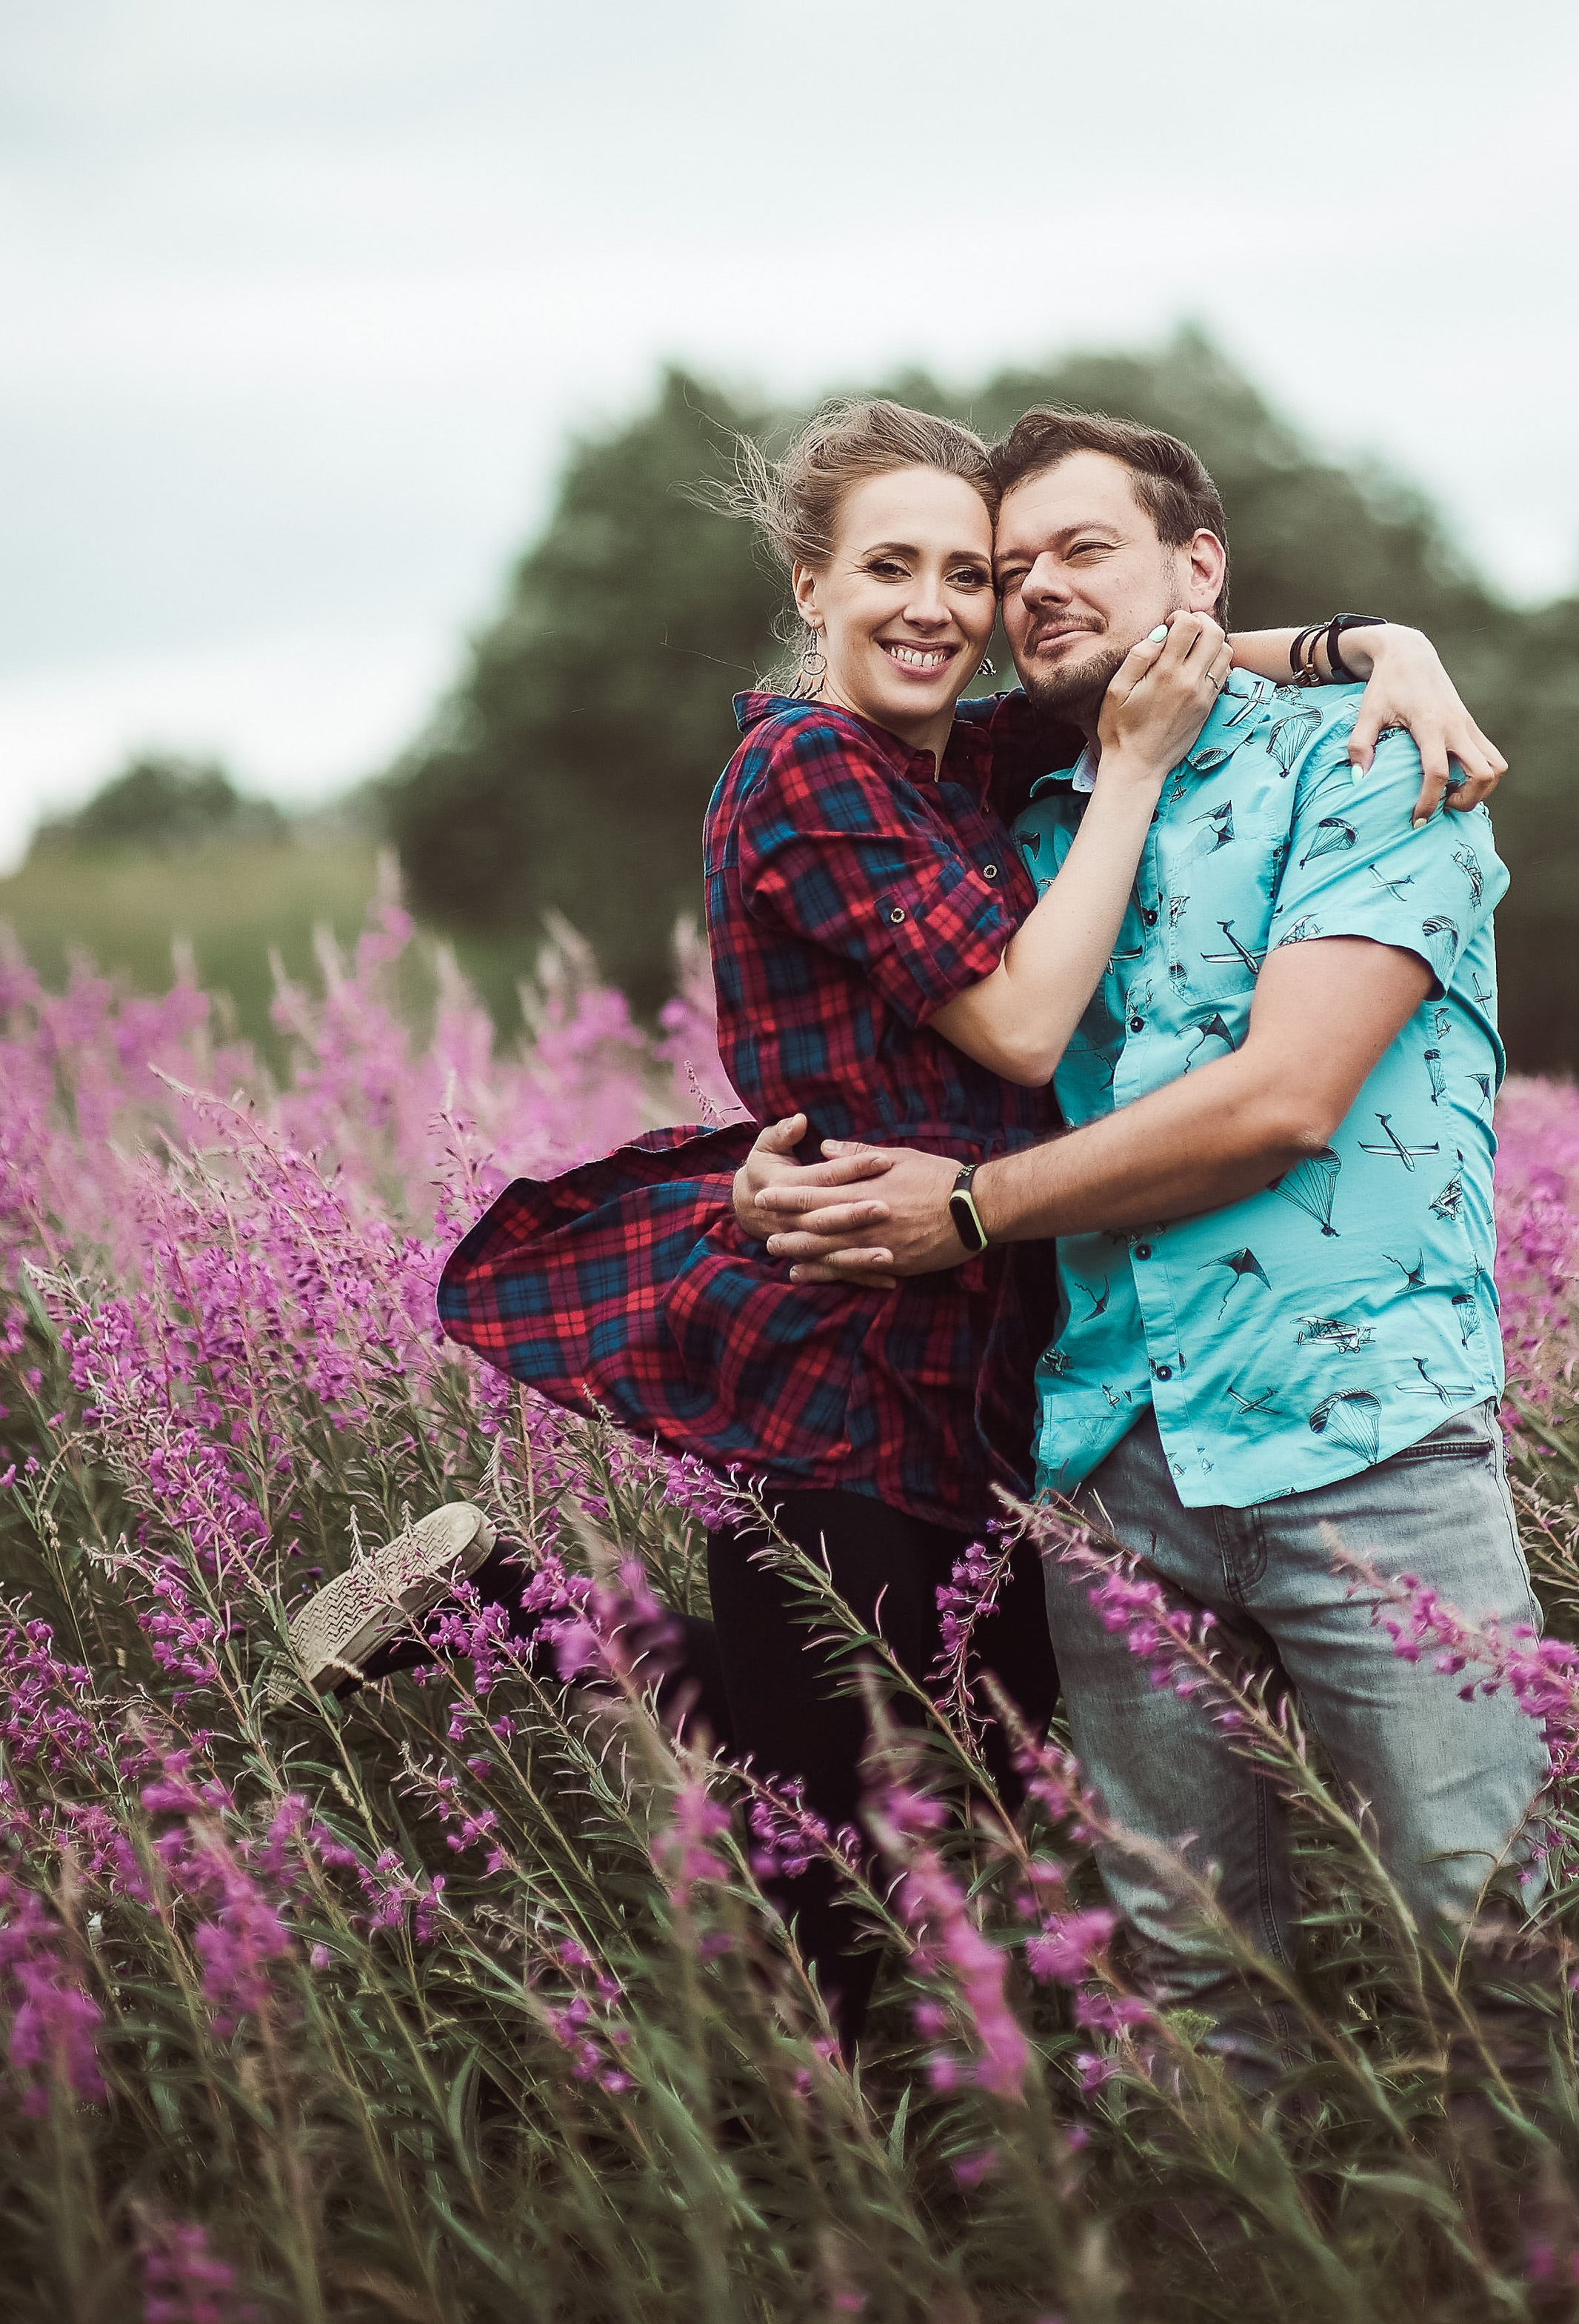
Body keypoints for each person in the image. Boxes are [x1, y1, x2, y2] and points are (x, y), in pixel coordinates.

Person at [275, 397, 1500, 2049]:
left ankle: (520, 1607)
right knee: (841, 1856)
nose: (943, 605)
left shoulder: (963, 754)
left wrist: (1378, 642)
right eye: (893, 568)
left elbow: (1157, 657)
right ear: (811, 582)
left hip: (998, 1335)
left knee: (974, 1752)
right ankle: (892, 2186)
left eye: (974, 575)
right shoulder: (806, 765)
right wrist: (1133, 779)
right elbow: (1011, 1022)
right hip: (849, 1327)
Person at [744, 405, 1542, 2088]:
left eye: (1066, 553)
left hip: (1364, 1439)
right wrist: (758, 1178)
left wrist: (1372, 643)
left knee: (1487, 1941)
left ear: (1196, 563)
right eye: (998, 570)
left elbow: (1282, 1104)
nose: (1021, 596)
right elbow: (887, 1036)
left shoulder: (1371, 758)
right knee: (1187, 1982)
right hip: (1109, 1457)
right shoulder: (1025, 804)